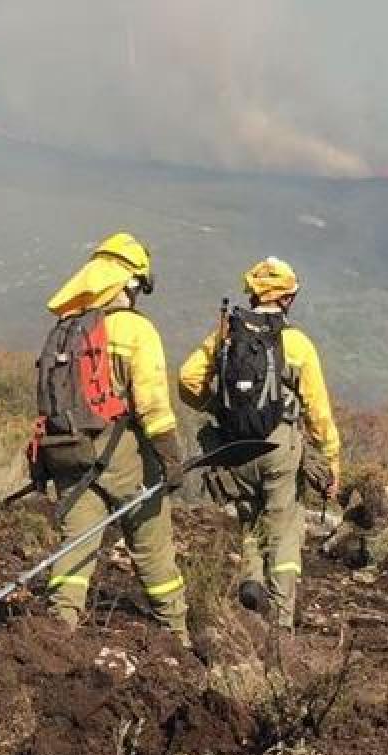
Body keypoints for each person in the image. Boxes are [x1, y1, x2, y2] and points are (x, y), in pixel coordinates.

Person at [32, 232, 190, 646]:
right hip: (123, 455)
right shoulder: (137, 331)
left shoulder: (68, 328)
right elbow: (152, 403)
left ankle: (57, 633)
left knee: (77, 542)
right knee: (152, 545)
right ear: (130, 284)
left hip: (68, 451)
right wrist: (171, 459)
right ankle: (176, 634)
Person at [179, 256, 340, 629]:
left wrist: (215, 405)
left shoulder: (226, 334)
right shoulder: (296, 343)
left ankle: (251, 584)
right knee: (283, 526)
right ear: (287, 299)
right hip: (280, 445)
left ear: (253, 293)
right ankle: (282, 619)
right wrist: (330, 461)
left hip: (235, 444)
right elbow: (319, 413)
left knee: (249, 517)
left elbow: (188, 379)